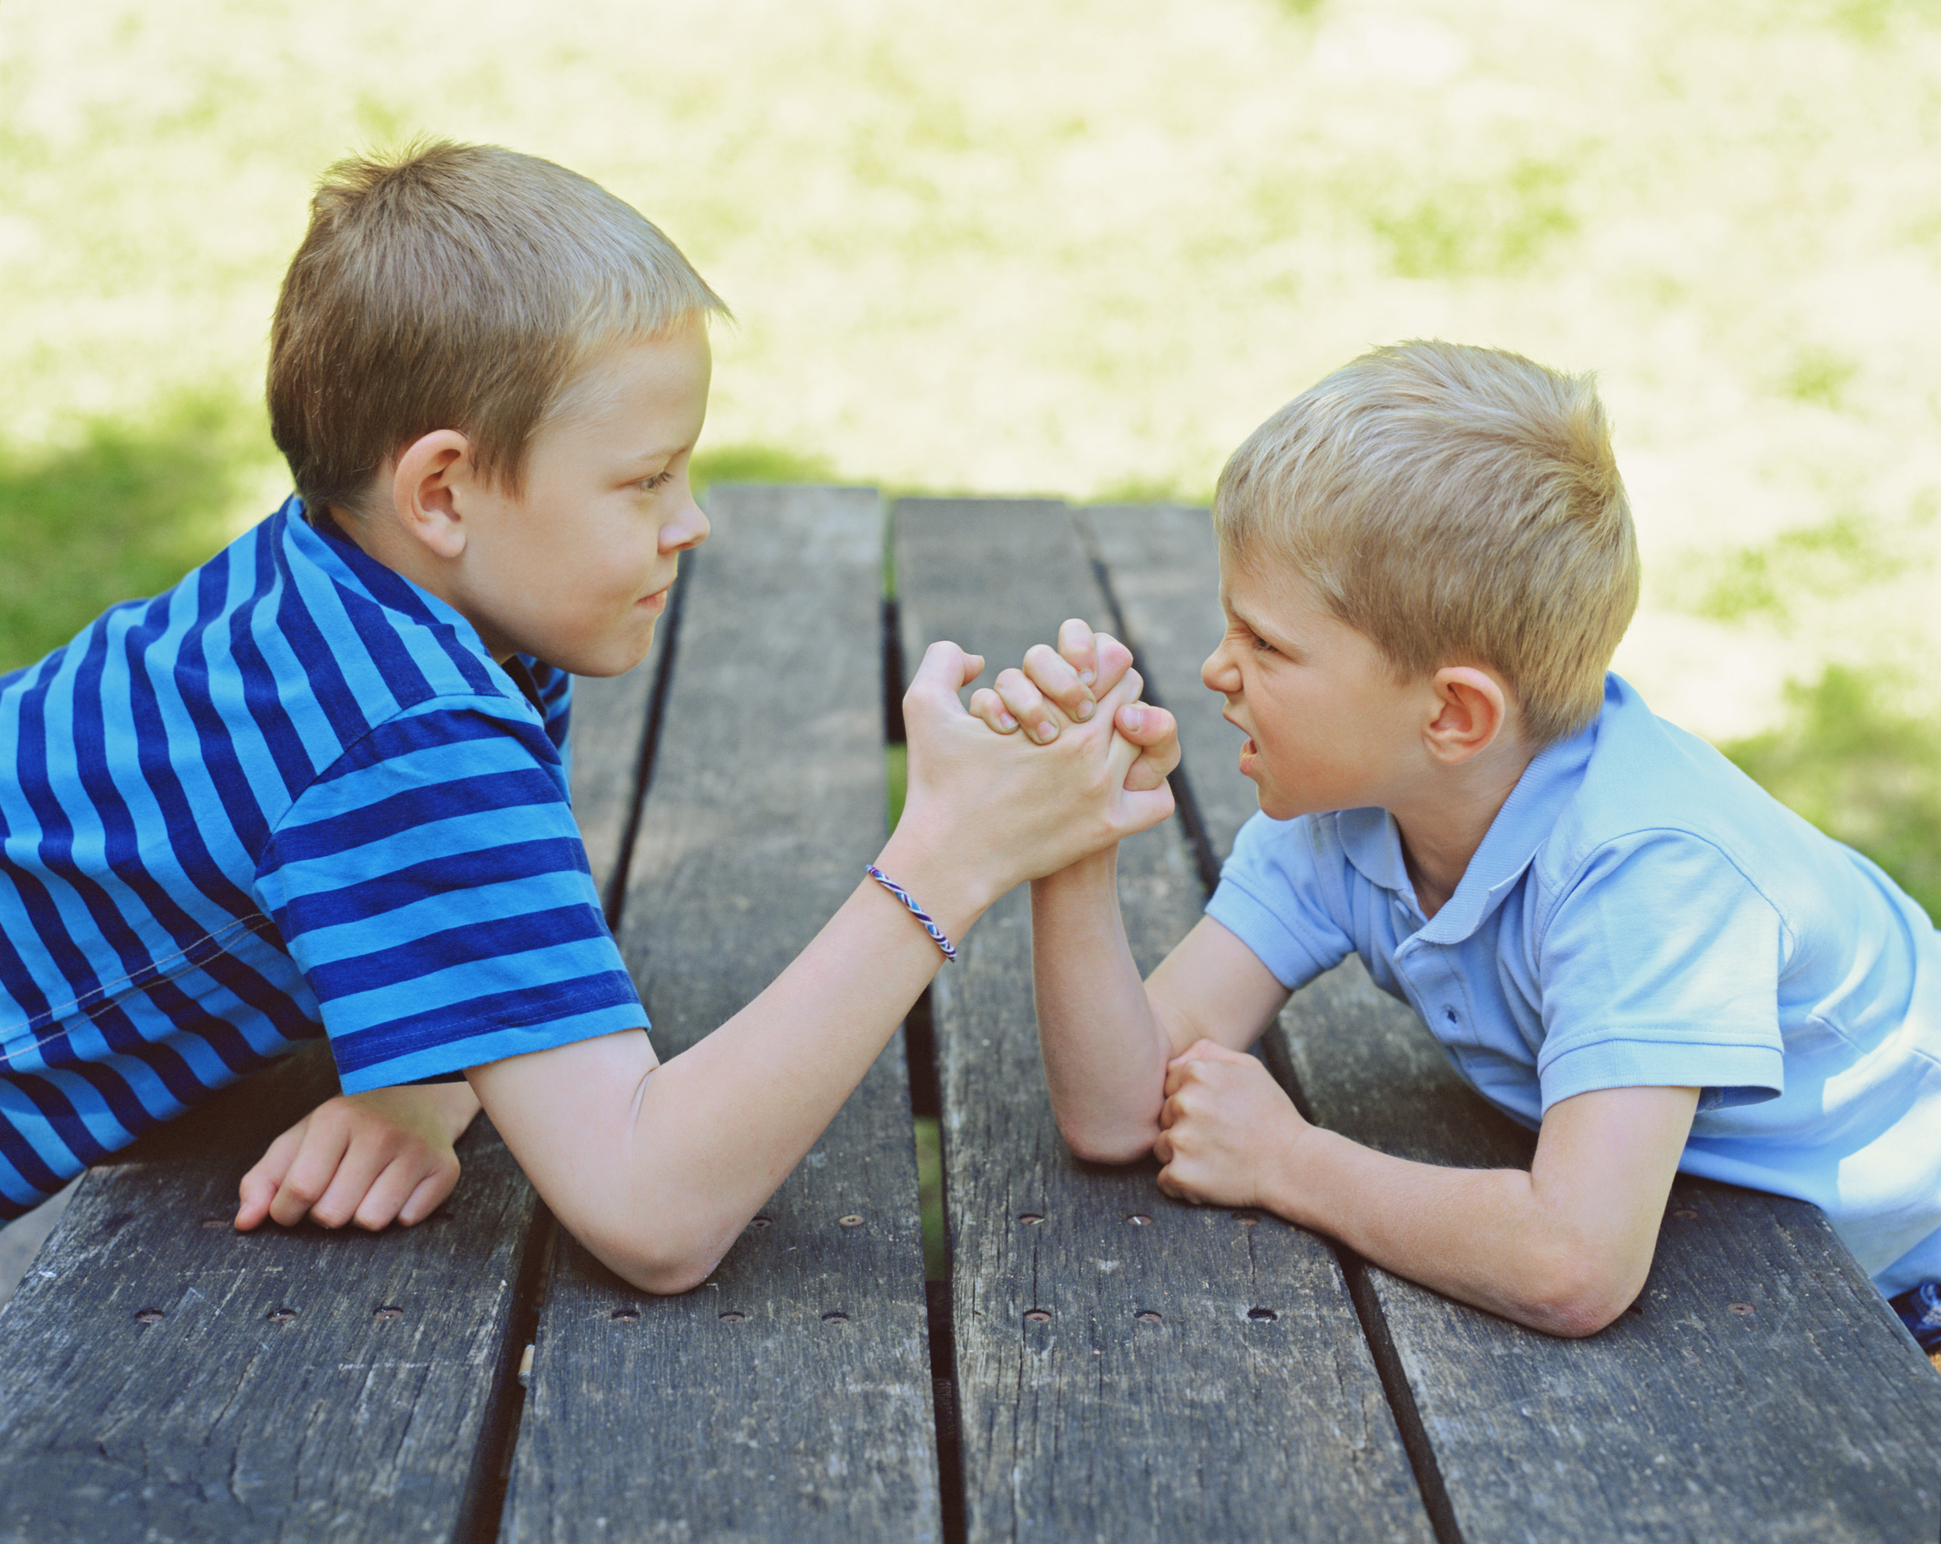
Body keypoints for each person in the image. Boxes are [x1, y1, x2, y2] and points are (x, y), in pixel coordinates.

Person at [0, 140, 1179, 1295]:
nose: (692, 521)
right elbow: (652, 1209)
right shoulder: (413, 727)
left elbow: (466, 927)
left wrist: (434, 1072)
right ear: (444, 492)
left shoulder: (392, 606)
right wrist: (954, 850)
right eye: (645, 478)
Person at [983, 340, 1941, 1344]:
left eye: (1265, 642)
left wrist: (1287, 1159)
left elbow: (1573, 1262)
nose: (1218, 668)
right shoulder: (1347, 809)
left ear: (1452, 716)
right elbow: (1116, 1114)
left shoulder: (1647, 867)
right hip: (1739, 1239)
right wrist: (1077, 844)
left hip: (1905, 1278)